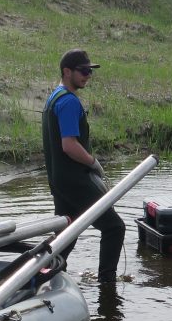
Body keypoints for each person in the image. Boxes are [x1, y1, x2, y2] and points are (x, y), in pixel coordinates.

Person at [41, 48, 125, 282]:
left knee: (67, 233)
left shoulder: (54, 97)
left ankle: (42, 274)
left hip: (58, 180)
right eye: (84, 71)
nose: (88, 75)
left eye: (90, 71)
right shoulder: (68, 102)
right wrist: (93, 162)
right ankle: (107, 284)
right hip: (75, 180)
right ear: (67, 72)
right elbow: (69, 145)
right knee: (114, 228)